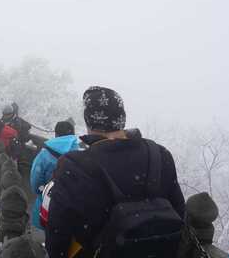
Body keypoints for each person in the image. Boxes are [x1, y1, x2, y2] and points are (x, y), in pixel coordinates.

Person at [45, 86, 185, 258]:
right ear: (122, 117)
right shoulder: (160, 154)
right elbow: (180, 213)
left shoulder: (73, 166)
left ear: (88, 120)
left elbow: (57, 234)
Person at [30, 121, 79, 229]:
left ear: (56, 135)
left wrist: (43, 192)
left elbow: (35, 183)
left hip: (46, 209)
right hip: (71, 212)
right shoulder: (80, 154)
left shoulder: (44, 156)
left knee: (44, 239)